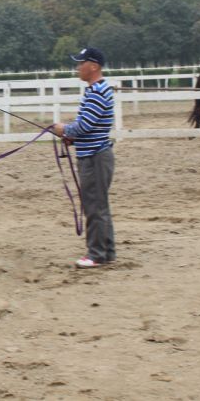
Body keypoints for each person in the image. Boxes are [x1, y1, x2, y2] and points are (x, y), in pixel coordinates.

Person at [53, 47, 116, 269]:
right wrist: (73, 138)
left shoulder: (97, 92)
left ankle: (96, 254)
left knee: (94, 206)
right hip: (94, 153)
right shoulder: (95, 91)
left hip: (94, 157)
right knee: (99, 204)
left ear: (94, 66)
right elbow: (91, 128)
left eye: (81, 63)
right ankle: (106, 251)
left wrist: (64, 130)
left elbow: (85, 125)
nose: (77, 68)